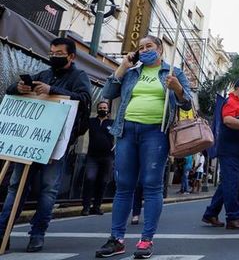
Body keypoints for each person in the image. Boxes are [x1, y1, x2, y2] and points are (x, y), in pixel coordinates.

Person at [95, 35, 192, 259]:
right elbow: (107, 94)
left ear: (160, 50)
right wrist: (123, 66)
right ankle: (116, 239)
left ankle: (146, 240)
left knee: (151, 184)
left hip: (155, 134)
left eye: (149, 46)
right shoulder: (131, 73)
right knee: (124, 185)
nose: (145, 50)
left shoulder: (173, 73)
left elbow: (187, 103)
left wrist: (177, 89)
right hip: (126, 131)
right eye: (141, 47)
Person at [0, 37, 91, 252]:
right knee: (15, 187)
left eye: (59, 53)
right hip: (30, 140)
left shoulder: (79, 77)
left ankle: (37, 233)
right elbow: (12, 89)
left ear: (71, 57)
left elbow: (84, 99)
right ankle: (3, 231)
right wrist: (19, 87)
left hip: (57, 143)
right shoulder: (44, 73)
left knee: (49, 189)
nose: (54, 57)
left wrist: (53, 91)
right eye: (51, 52)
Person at [202, 77, 239, 230]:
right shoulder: (231, 102)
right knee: (232, 183)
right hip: (230, 151)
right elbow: (228, 120)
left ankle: (211, 213)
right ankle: (233, 217)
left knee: (228, 183)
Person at [81, 101, 114, 216]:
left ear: (108, 110)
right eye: (100, 107)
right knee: (90, 179)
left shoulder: (112, 123)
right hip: (92, 156)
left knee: (103, 182)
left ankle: (97, 206)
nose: (102, 109)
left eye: (104, 108)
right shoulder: (91, 121)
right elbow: (81, 129)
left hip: (108, 157)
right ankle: (86, 207)